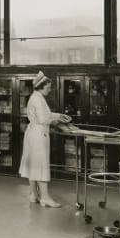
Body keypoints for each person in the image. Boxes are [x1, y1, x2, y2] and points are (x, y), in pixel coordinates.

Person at [19, 71, 71, 208]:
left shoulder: (36, 97)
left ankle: (34, 195)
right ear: (41, 87)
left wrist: (59, 115)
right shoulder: (37, 99)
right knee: (41, 165)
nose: (50, 89)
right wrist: (57, 121)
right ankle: (45, 198)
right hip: (38, 135)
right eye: (48, 87)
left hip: (32, 133)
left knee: (34, 165)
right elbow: (43, 119)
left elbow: (45, 114)